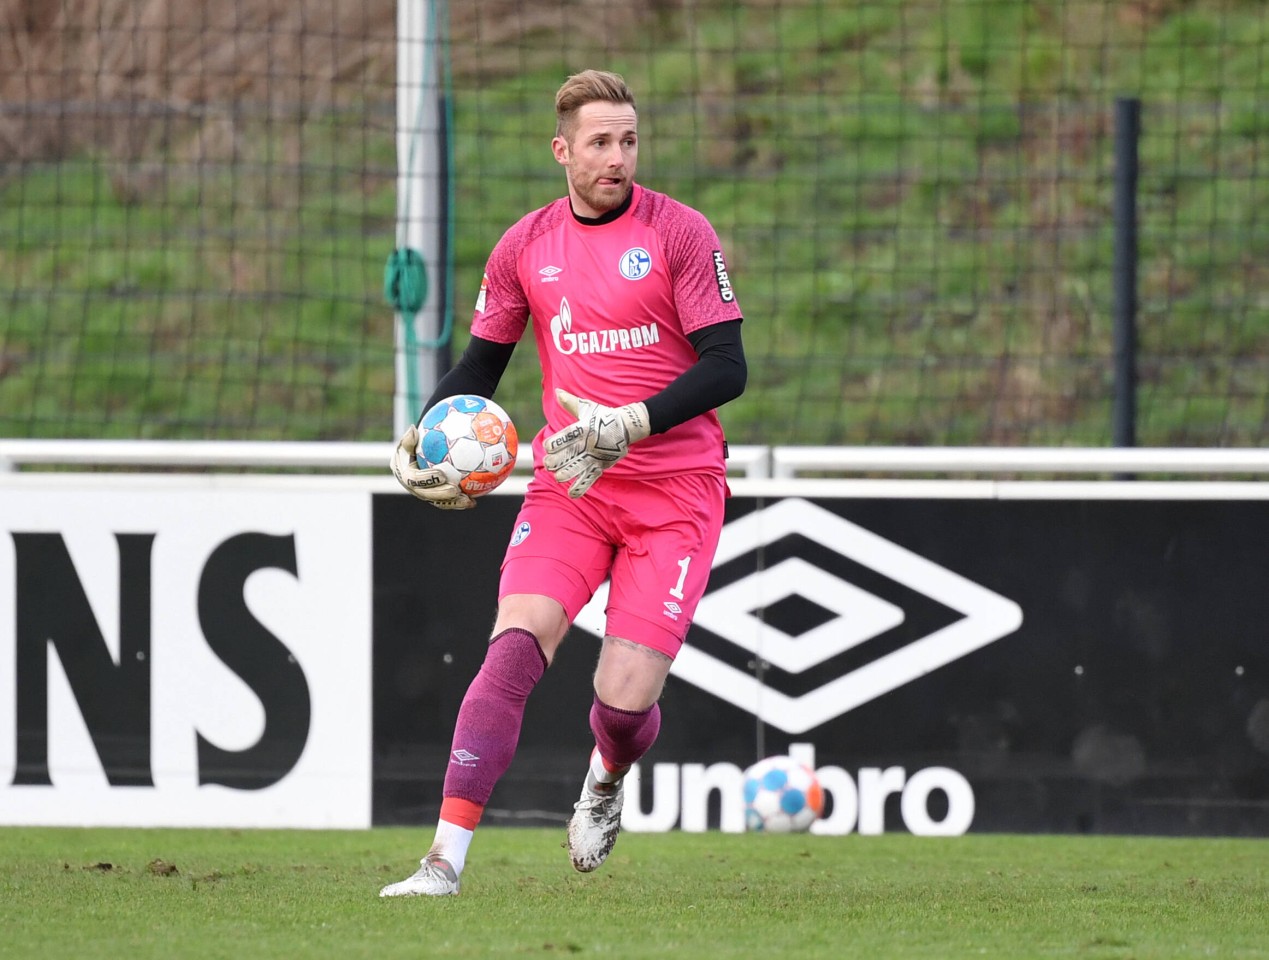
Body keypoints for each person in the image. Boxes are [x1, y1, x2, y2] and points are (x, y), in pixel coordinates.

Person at [381, 69, 747, 897]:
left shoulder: (681, 234)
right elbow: (481, 365)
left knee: (620, 706)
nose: (617, 157)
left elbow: (728, 367)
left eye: (628, 141)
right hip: (570, 483)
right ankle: (442, 861)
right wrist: (423, 432)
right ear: (562, 151)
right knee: (511, 649)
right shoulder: (523, 247)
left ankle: (606, 779)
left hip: (676, 488)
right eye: (599, 143)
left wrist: (630, 424)